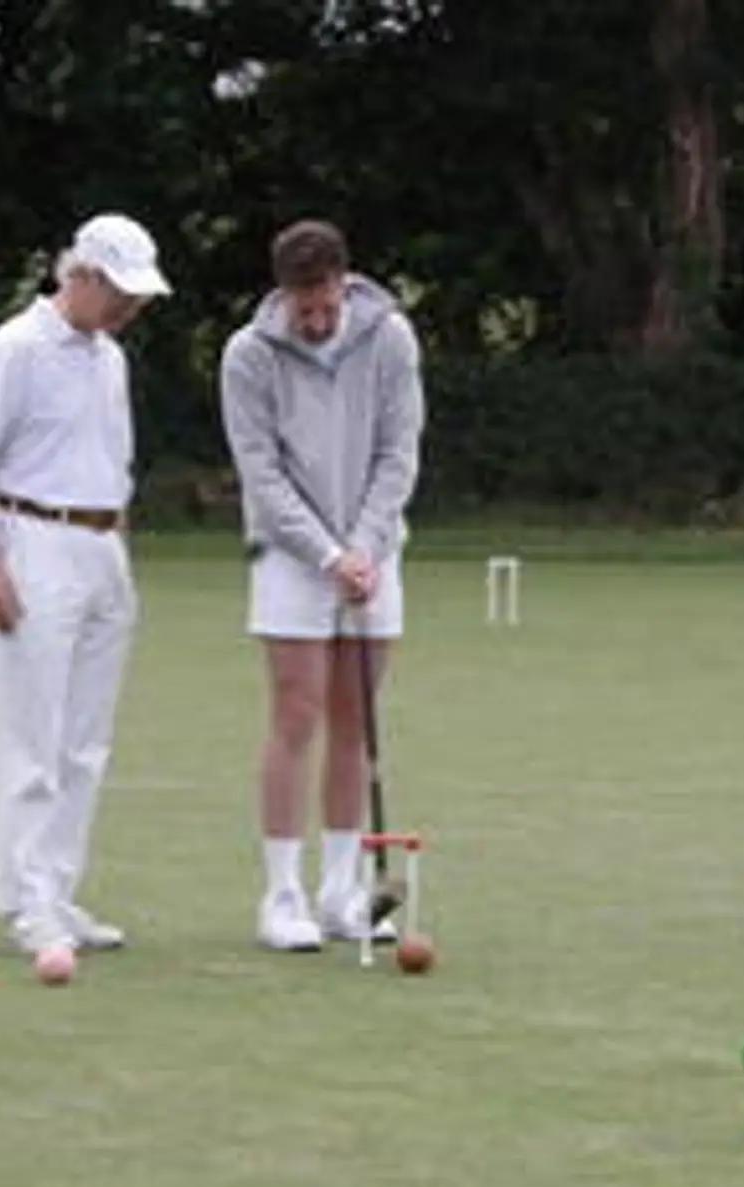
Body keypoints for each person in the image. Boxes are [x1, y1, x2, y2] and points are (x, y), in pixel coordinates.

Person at [0, 212, 173, 956]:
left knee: (84, 743)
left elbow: (113, 458)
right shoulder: (12, 349)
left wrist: (120, 552)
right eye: (120, 293)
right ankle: (26, 903)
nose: (130, 309)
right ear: (80, 274)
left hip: (104, 547)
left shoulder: (110, 357)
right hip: (32, 542)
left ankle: (59, 891)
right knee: (32, 736)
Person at [219, 219, 425, 951]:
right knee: (296, 713)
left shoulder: (391, 339)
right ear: (283, 292)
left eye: (326, 304)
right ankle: (281, 896)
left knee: (355, 714)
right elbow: (261, 473)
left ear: (345, 281)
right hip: (287, 553)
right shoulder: (248, 356)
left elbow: (400, 451)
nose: (315, 320)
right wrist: (327, 555)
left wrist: (364, 547)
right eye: (302, 306)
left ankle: (341, 892)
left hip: (374, 547)